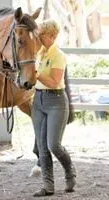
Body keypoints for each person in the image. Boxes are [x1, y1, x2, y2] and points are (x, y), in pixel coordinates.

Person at [31, 19, 76, 197]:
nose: (39, 37)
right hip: (38, 101)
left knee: (53, 145)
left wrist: (35, 74)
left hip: (56, 101)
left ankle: (70, 171)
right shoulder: (38, 53)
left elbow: (54, 81)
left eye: (42, 34)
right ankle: (48, 186)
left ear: (52, 36)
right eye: (39, 34)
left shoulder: (58, 55)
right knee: (42, 147)